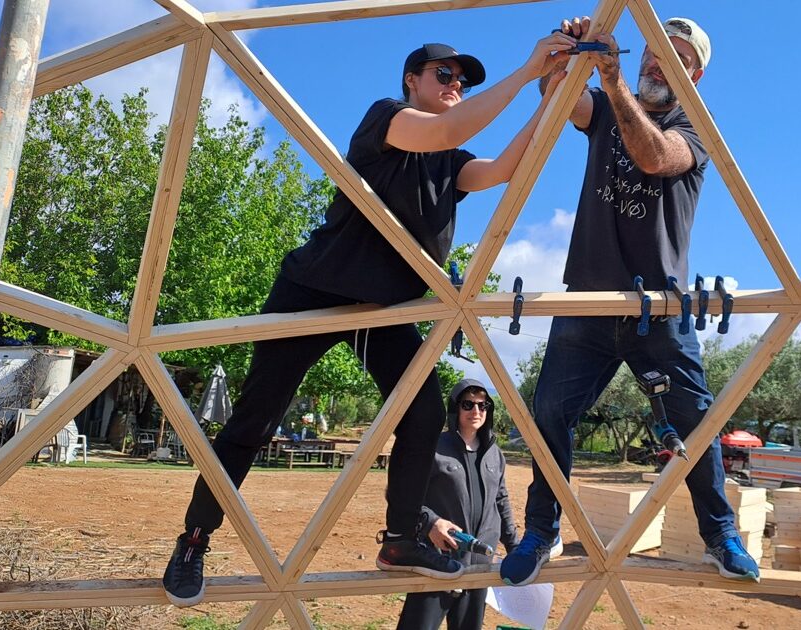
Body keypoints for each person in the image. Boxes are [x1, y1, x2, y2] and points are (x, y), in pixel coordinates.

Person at [161, 32, 577, 607]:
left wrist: (553, 94)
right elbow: (451, 130)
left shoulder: (451, 166)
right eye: (444, 75)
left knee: (425, 412)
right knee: (254, 421)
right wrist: (531, 67)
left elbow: (507, 167)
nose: (455, 85)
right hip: (314, 289)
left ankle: (401, 538)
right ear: (412, 80)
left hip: (383, 311)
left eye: (462, 81)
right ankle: (194, 539)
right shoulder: (387, 120)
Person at [500, 17, 761, 586]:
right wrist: (564, 53)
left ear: (695, 74)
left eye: (672, 57)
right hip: (588, 301)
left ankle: (720, 535)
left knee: (697, 421)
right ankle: (542, 531)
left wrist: (615, 84)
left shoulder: (695, 129)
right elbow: (561, 101)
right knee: (549, 414)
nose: (654, 63)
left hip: (659, 309)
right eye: (650, 51)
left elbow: (653, 157)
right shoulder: (601, 106)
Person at [397, 379, 516, 629]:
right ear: (455, 408)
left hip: (480, 563)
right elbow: (404, 495)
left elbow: (501, 500)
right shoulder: (433, 448)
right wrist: (430, 522)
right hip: (438, 560)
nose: (476, 411)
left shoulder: (495, 452)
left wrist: (514, 545)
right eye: (468, 404)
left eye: (483, 406)